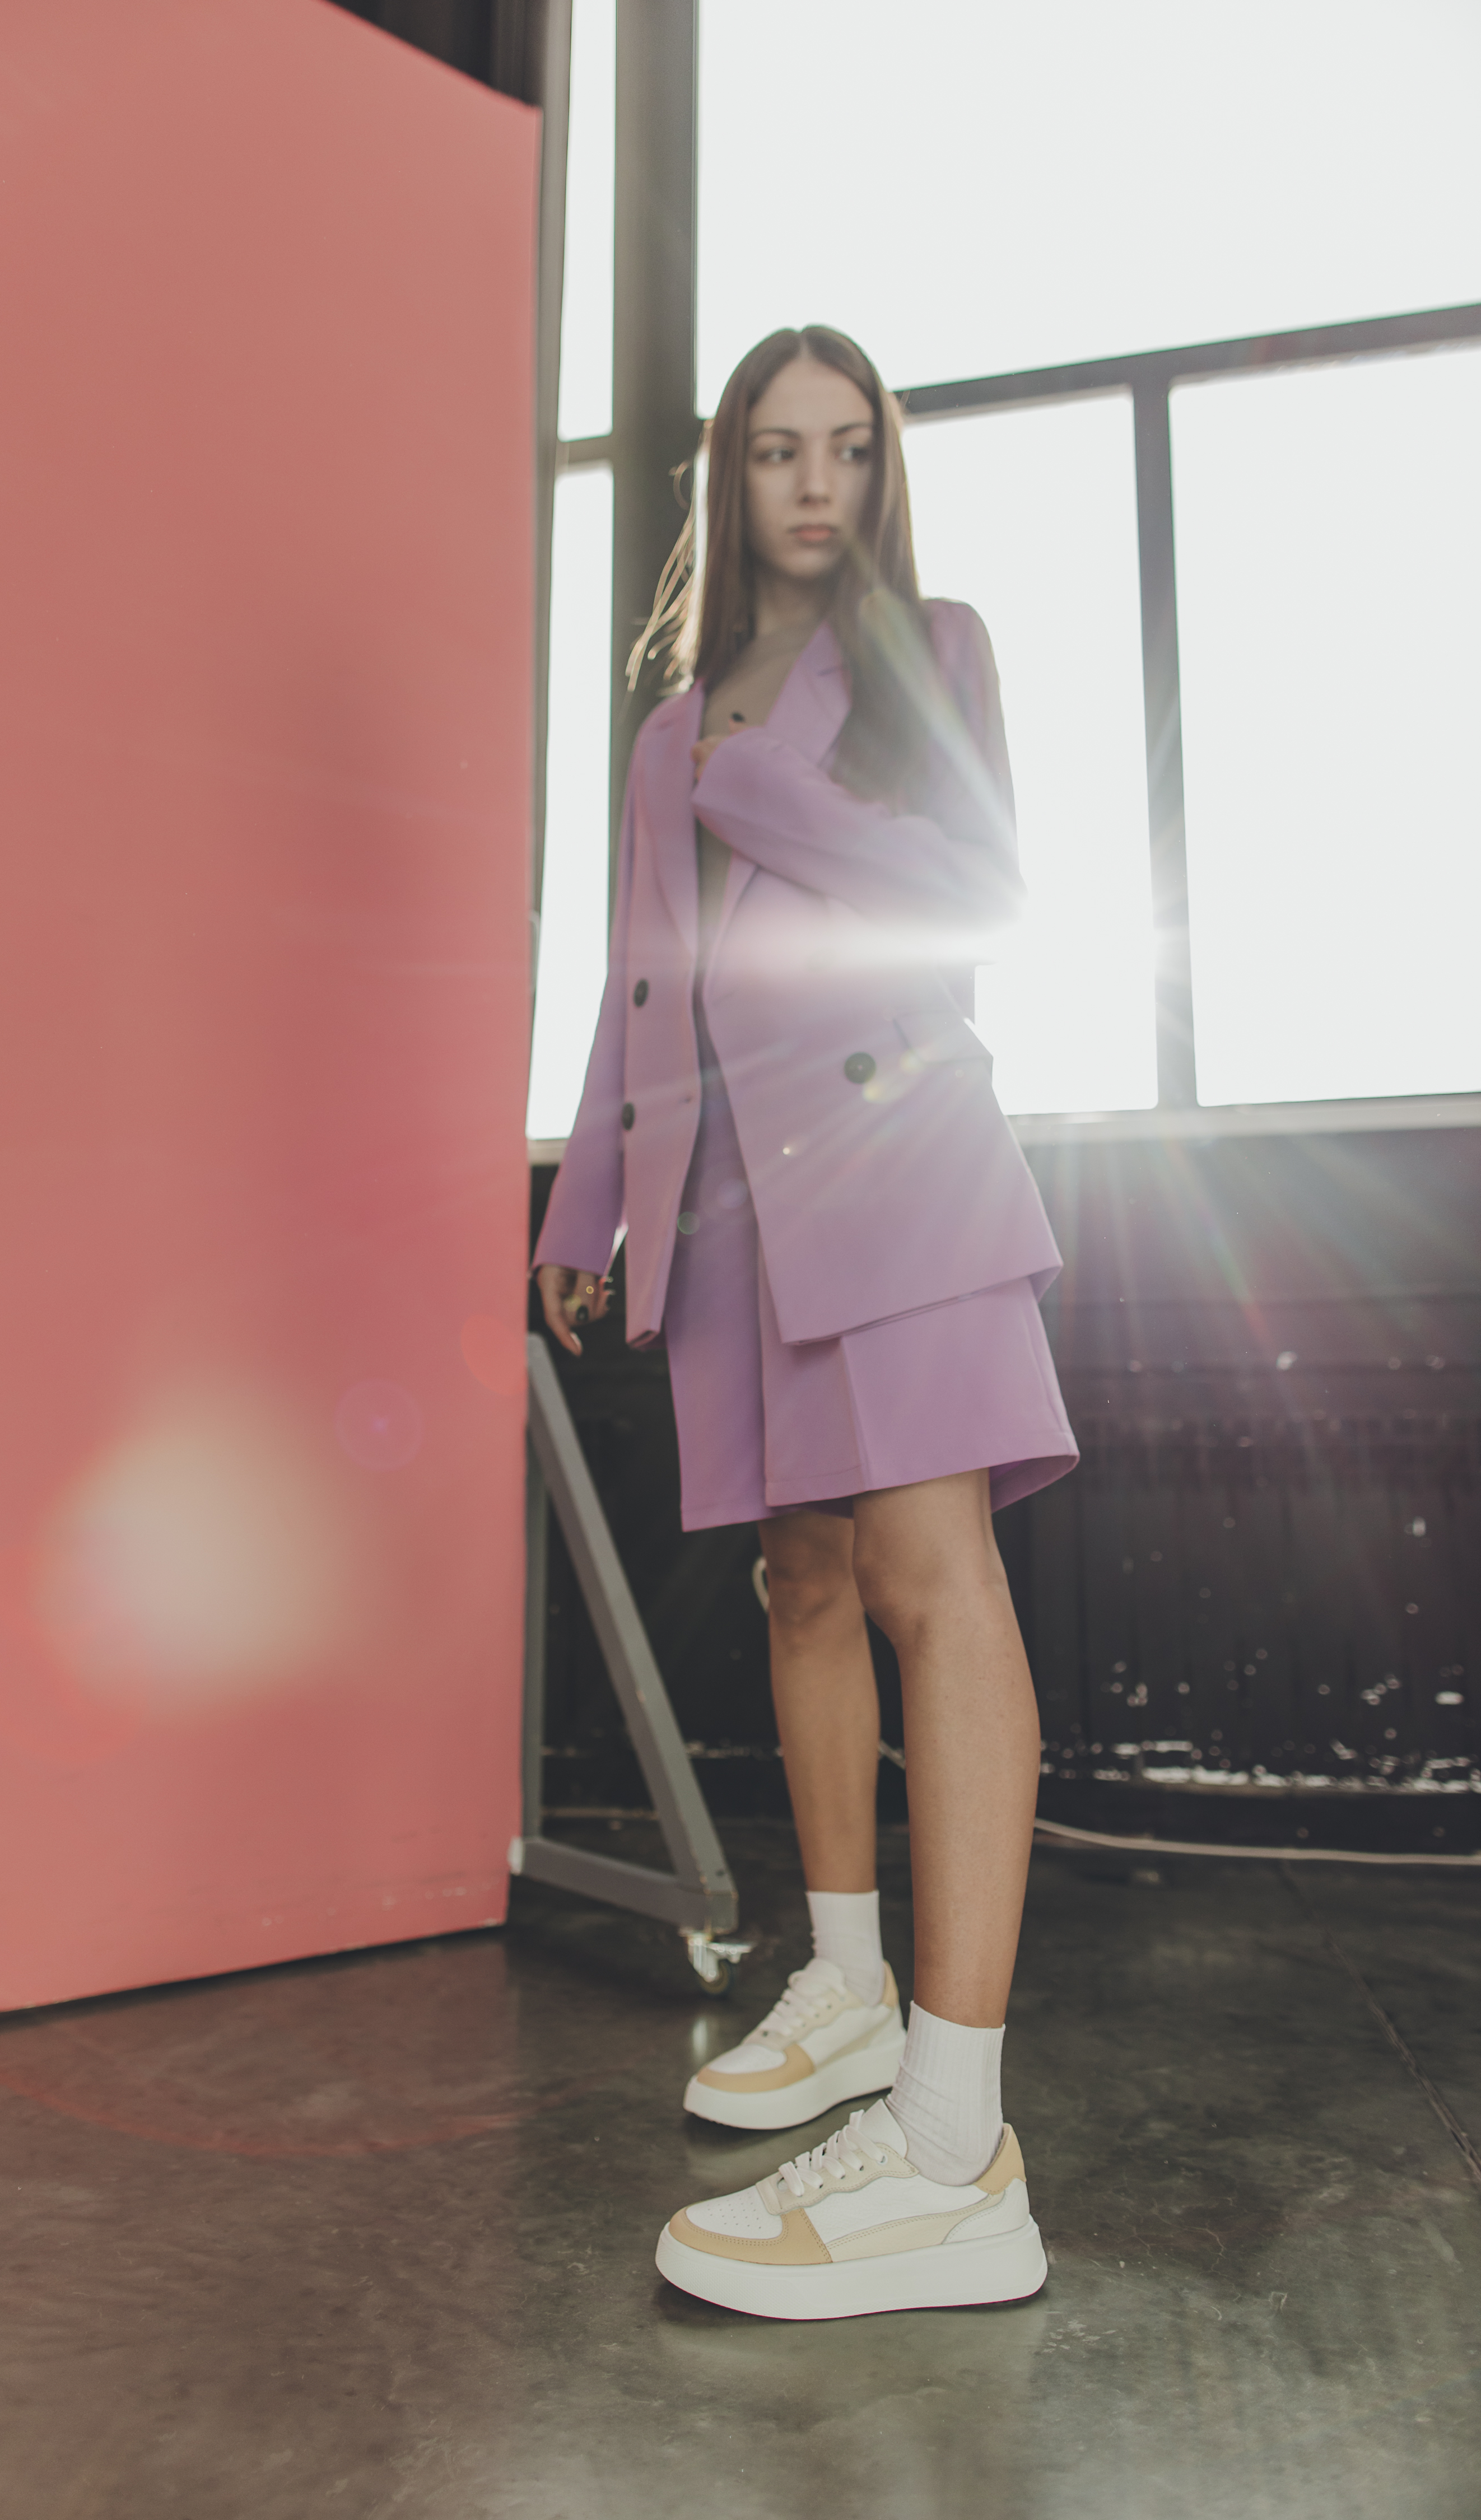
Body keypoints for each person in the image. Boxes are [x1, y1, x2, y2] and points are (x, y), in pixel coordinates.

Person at [533, 325, 1077, 2321]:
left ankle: (954, 2139)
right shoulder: (670, 728)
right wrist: (586, 1199)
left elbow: (981, 893)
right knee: (804, 1579)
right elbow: (641, 983)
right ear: (730, 475)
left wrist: (771, 793)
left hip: (896, 1143)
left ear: (880, 470)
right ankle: (848, 1985)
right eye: (779, 450)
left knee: (938, 1582)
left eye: (849, 447)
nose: (817, 483)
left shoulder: (931, 649)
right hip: (736, 1199)